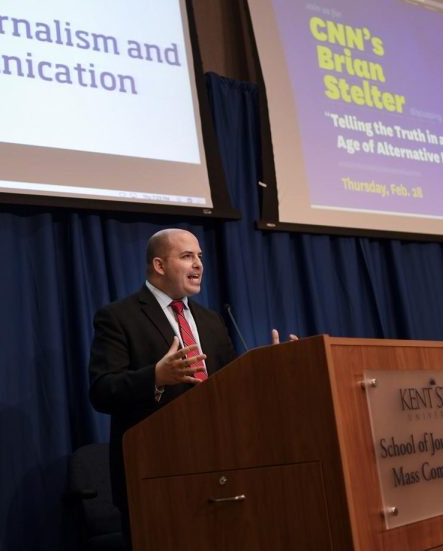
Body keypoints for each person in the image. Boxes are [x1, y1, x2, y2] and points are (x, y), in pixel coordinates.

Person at [88, 228, 295, 547]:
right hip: (153, 473)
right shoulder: (119, 317)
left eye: (200, 256)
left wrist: (264, 367)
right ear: (159, 265)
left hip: (217, 465)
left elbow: (230, 386)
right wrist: (156, 376)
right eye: (187, 256)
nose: (198, 264)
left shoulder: (211, 320)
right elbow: (102, 390)